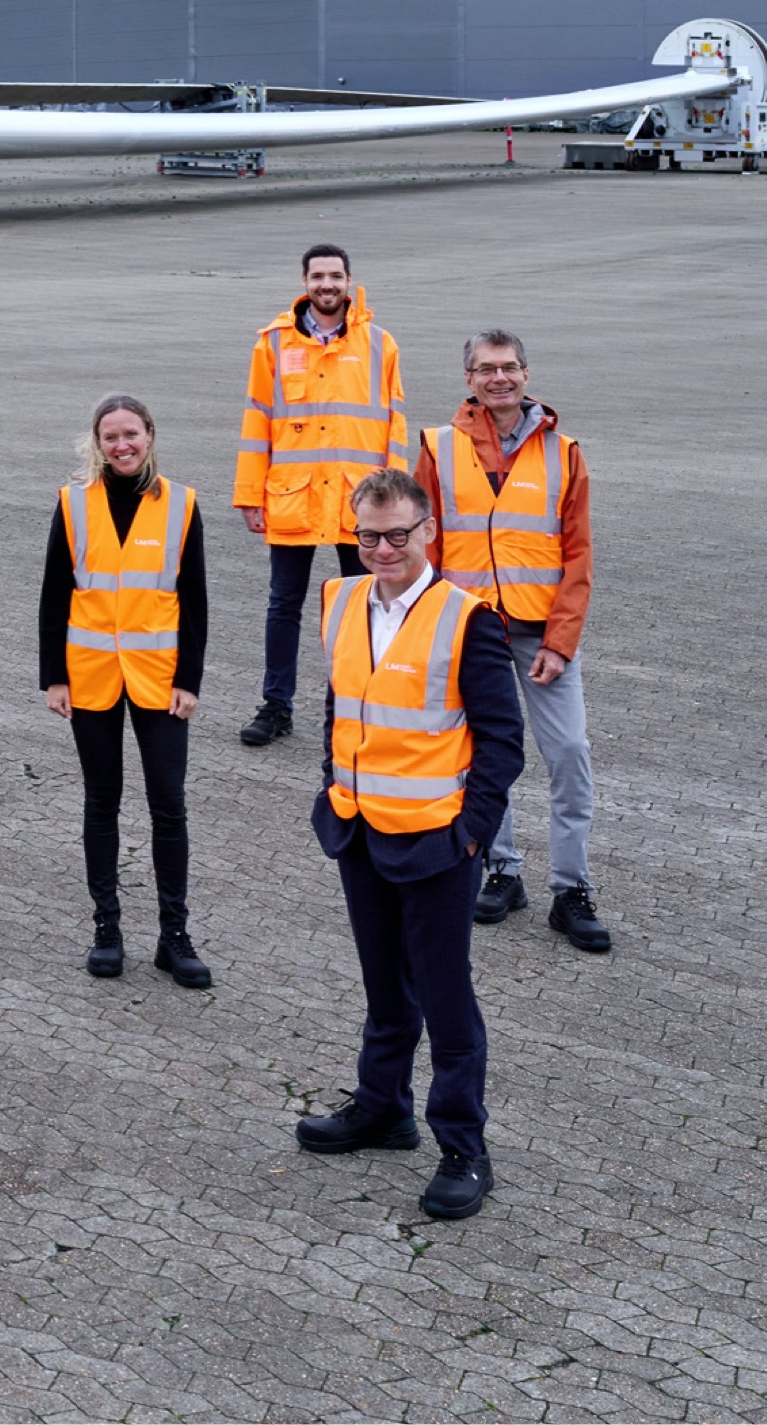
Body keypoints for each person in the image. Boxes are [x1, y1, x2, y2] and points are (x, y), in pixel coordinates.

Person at [296, 469, 523, 1221]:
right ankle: (382, 1106)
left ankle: (464, 1146)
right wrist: (333, 778)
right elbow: (339, 699)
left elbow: (502, 739)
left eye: (399, 534)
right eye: (369, 535)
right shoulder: (339, 599)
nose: (384, 548)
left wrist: (472, 833)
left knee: (447, 998)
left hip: (435, 842)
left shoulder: (467, 617)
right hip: (358, 828)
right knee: (384, 991)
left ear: (428, 531)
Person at [418, 330, 610, 953]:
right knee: (478, 757)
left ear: (527, 374)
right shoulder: (437, 448)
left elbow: (578, 554)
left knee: (570, 754)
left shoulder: (564, 452)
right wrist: (433, 628)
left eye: (508, 368)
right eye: (484, 369)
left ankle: (571, 889)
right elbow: (427, 545)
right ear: (468, 379)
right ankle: (501, 871)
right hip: (472, 632)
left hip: (541, 634)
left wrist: (561, 641)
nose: (498, 378)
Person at [40, 394, 212, 987]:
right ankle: (106, 928)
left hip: (160, 681)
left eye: (131, 434)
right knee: (101, 802)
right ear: (97, 442)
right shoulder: (72, 503)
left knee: (168, 806)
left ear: (150, 435)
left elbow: (195, 601)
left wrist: (190, 680)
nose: (121, 445)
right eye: (110, 436)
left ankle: (174, 935)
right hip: (89, 676)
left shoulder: (181, 504)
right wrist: (53, 676)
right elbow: (54, 593)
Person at [234, 243, 409, 749]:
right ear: (304, 282)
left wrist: (395, 502)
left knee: (363, 607)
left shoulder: (380, 344)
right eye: (318, 276)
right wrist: (250, 493)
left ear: (350, 280)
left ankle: (358, 706)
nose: (326, 284)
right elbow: (256, 421)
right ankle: (276, 705)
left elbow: (394, 426)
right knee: (284, 603)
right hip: (294, 496)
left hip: (363, 502)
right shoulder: (272, 344)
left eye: (335, 275)